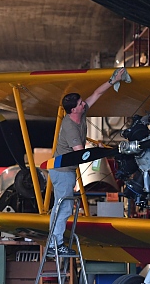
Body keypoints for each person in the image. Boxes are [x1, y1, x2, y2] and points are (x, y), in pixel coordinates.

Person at [48, 68, 129, 257]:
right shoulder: (70, 128)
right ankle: (55, 244)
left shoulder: (80, 114)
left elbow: (96, 94)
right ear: (74, 109)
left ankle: (54, 240)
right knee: (64, 206)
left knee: (60, 206)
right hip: (62, 171)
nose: (84, 103)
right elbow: (80, 153)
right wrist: (99, 150)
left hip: (65, 170)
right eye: (80, 103)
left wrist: (113, 79)